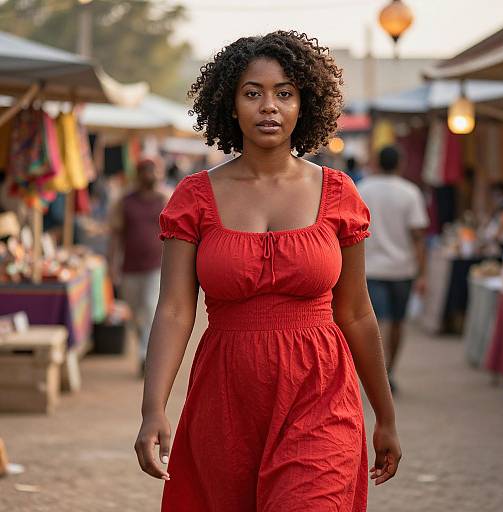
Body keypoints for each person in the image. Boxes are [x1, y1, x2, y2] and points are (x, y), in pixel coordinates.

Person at [135, 31, 401, 511]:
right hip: (227, 397)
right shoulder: (194, 197)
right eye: (252, 93)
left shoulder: (339, 194)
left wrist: (385, 414)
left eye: (284, 93)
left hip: (320, 391)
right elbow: (175, 310)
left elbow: (357, 313)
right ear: (230, 104)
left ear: (305, 104)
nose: (269, 107)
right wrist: (153, 407)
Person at [358, 145, 429, 392]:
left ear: (377, 162)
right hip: (402, 269)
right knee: (397, 323)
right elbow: (418, 237)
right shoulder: (410, 192)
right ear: (400, 163)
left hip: (369, 269)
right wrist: (423, 273)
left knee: (373, 323)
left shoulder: (362, 189)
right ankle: (389, 371)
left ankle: (373, 375)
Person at [109, 158, 167, 376]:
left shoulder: (165, 199)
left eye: (153, 171)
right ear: (139, 174)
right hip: (130, 267)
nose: (150, 175)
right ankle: (144, 348)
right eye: (146, 171)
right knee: (133, 313)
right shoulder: (124, 202)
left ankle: (146, 357)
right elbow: (115, 235)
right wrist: (112, 264)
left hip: (157, 266)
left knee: (151, 308)